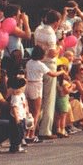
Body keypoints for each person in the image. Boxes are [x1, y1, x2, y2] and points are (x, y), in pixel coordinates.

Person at [34, 9, 61, 140]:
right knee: (49, 98)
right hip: (49, 64)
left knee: (38, 99)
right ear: (57, 22)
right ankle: (45, 130)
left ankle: (35, 126)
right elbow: (52, 53)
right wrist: (60, 47)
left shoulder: (39, 29)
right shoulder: (51, 34)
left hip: (38, 63)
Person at [25, 45, 61, 143]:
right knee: (36, 113)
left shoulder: (29, 63)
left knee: (30, 112)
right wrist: (61, 72)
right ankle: (31, 135)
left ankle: (28, 133)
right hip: (36, 86)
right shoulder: (40, 64)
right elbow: (52, 74)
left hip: (28, 85)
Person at [8, 76, 30, 153]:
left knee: (22, 132)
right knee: (16, 133)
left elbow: (25, 103)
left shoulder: (22, 95)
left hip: (22, 116)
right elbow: (14, 107)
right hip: (16, 117)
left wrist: (27, 111)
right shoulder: (15, 97)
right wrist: (16, 118)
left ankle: (18, 145)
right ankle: (15, 146)